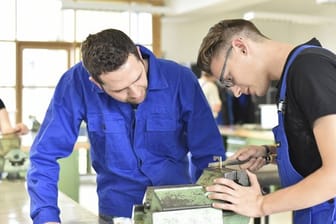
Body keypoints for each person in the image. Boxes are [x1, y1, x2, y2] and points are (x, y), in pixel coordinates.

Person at [27, 28, 226, 224]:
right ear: (96, 83)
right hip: (116, 211)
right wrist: (46, 217)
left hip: (178, 209)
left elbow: (209, 154)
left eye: (138, 78)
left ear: (139, 55)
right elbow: (44, 155)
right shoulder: (76, 84)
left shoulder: (180, 79)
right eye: (120, 90)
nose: (136, 94)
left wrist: (208, 210)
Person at [197, 19, 336, 223]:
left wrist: (260, 204)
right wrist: (269, 153)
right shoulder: (291, 79)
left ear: (241, 47)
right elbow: (317, 148)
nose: (235, 92)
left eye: (229, 79)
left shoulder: (309, 69)